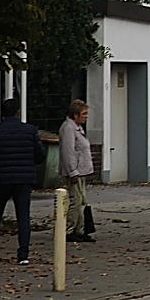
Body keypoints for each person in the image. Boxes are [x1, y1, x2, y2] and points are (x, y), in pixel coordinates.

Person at [0, 98, 45, 264]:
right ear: (18, 112)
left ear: (2, 114)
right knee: (23, 216)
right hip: (24, 178)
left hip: (0, 178)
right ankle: (23, 254)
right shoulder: (30, 131)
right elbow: (40, 155)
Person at [57, 99, 95, 243]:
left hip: (82, 170)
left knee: (81, 201)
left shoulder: (77, 128)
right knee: (76, 200)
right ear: (75, 115)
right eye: (84, 114)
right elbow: (68, 152)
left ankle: (80, 229)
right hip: (76, 171)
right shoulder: (68, 129)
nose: (86, 116)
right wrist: (72, 171)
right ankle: (70, 229)